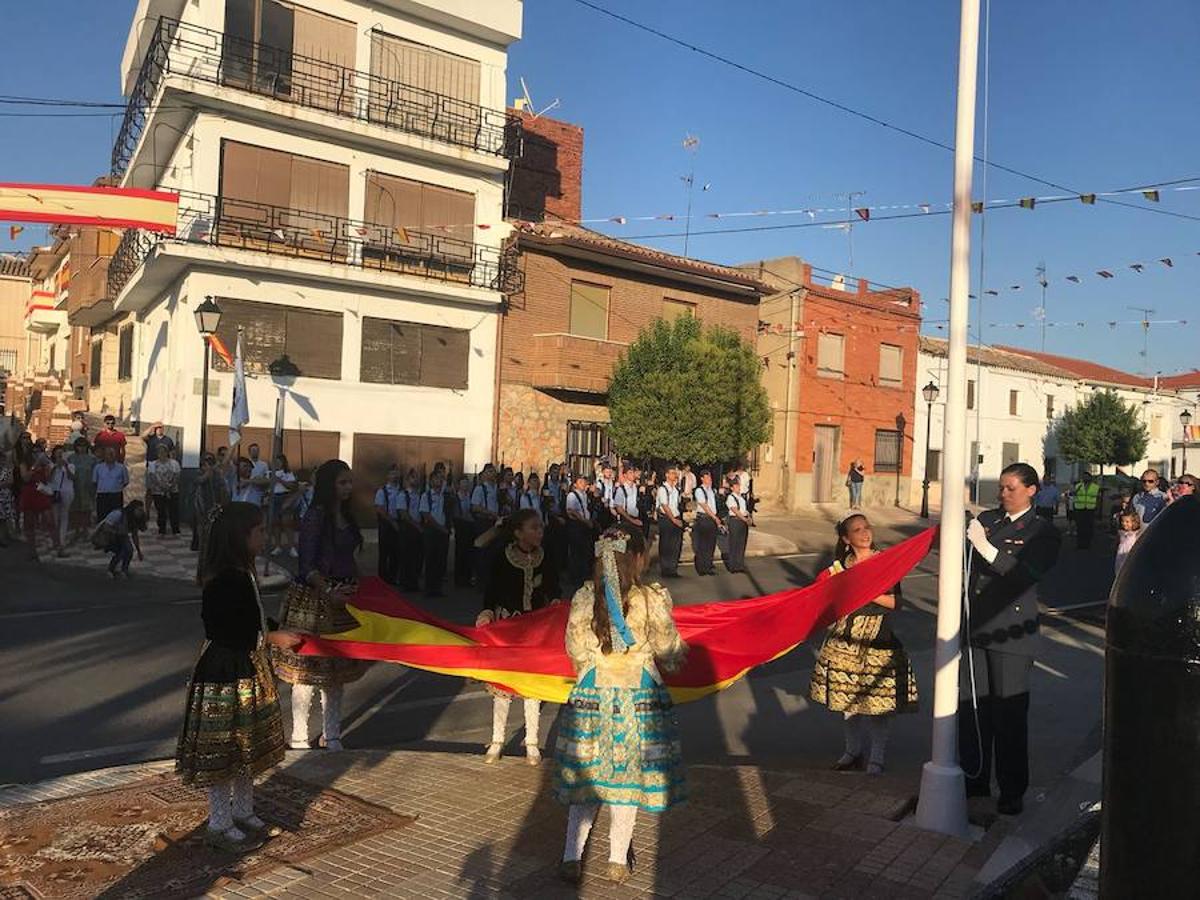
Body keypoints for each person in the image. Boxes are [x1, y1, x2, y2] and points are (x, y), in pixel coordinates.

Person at [554, 526, 687, 885]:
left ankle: (571, 855)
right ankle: (615, 859)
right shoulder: (650, 598)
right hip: (637, 694)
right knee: (626, 777)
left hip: (593, 694)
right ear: (637, 558)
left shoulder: (584, 597)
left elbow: (575, 648)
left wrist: (592, 669)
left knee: (588, 775)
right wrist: (674, 659)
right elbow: (668, 647)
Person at [175, 501, 299, 852]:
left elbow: (252, 618)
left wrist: (276, 628)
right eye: (259, 531)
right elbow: (224, 628)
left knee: (248, 746)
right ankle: (219, 820)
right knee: (226, 748)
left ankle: (244, 810)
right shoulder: (222, 580)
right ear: (238, 538)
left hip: (248, 668)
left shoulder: (244, 573)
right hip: (224, 672)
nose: (265, 536)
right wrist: (272, 639)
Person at [961, 462, 1061, 816]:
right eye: (1001, 488)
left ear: (1032, 490)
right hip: (976, 629)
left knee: (1009, 715)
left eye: (1011, 488)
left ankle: (1011, 790)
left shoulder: (1042, 531)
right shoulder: (988, 520)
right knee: (973, 710)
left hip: (1011, 633)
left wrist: (986, 549)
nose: (1003, 494)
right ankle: (974, 780)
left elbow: (1023, 575)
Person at [272, 459, 369, 751]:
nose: (348, 488)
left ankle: (333, 733)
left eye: (350, 482)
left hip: (343, 600)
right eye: (342, 482)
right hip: (313, 601)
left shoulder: (348, 516)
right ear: (329, 485)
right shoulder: (316, 516)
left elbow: (349, 558)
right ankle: (300, 736)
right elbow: (306, 564)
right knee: (306, 674)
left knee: (335, 674)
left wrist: (363, 585)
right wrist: (327, 590)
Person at [810, 513, 917, 775]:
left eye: (867, 527)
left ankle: (876, 757)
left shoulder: (885, 562)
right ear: (847, 539)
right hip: (845, 637)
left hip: (879, 636)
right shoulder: (838, 569)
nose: (865, 533)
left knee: (877, 705)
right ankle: (852, 750)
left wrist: (865, 590)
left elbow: (896, 603)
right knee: (848, 701)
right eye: (857, 530)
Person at [478, 508, 561, 765]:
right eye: (534, 527)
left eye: (541, 528)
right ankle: (497, 739)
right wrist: (487, 612)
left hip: (535, 628)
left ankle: (532, 742)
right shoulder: (502, 557)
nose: (539, 532)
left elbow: (553, 586)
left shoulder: (546, 557)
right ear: (518, 532)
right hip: (508, 627)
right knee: (503, 685)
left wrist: (555, 603)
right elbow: (490, 588)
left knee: (531, 684)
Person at [18, 452, 62, 560]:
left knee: (50, 521)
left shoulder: (43, 463)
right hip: (29, 492)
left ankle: (58, 547)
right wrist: (35, 466)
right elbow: (25, 478)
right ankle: (32, 550)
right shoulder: (24, 464)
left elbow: (47, 478)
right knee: (29, 523)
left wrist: (51, 468)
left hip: (41, 491)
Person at [192, 452, 229, 573]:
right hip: (202, 514)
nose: (207, 466)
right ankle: (202, 573)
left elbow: (224, 492)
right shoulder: (199, 474)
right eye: (205, 464)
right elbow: (199, 481)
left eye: (209, 463)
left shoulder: (218, 476)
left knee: (215, 543)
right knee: (203, 545)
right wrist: (208, 474)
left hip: (215, 513)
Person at [93, 499, 146, 577]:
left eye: (141, 510)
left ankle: (124, 570)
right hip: (108, 535)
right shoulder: (118, 514)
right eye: (139, 510)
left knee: (129, 550)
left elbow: (135, 536)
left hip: (121, 535)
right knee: (121, 551)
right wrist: (117, 532)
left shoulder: (134, 519)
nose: (140, 512)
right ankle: (111, 569)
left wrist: (139, 551)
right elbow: (105, 527)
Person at [419, 469, 451, 597]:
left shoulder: (446, 496)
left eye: (441, 479)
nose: (439, 481)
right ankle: (429, 588)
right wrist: (440, 527)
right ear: (431, 481)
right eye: (437, 479)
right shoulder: (426, 495)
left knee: (441, 560)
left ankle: (438, 588)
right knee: (431, 559)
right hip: (432, 531)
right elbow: (426, 515)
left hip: (443, 531)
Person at [565, 472, 595, 592]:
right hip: (576, 525)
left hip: (585, 525)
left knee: (584, 550)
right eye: (580, 482)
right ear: (575, 484)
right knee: (576, 551)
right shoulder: (572, 495)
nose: (583, 484)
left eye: (584, 482)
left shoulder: (584, 495)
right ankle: (574, 577)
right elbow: (571, 511)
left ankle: (583, 575)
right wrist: (583, 520)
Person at [396, 469, 424, 592]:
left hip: (418, 528)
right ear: (407, 480)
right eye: (412, 478)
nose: (415, 480)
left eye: (416, 478)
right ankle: (405, 582)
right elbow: (403, 514)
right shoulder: (403, 495)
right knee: (407, 556)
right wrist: (416, 525)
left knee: (417, 556)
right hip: (408, 528)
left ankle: (413, 581)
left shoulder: (419, 495)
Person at [374, 466, 403, 583]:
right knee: (384, 552)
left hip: (399, 522)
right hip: (386, 524)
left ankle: (393, 576)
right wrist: (392, 522)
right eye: (392, 473)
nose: (395, 476)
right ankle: (382, 578)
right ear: (387, 476)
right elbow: (379, 509)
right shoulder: (382, 491)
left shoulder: (402, 490)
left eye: (396, 473)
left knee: (396, 552)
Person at [146, 444, 182, 537]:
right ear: (157, 454)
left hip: (172, 491)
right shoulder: (152, 464)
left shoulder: (174, 463)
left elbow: (177, 476)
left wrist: (169, 486)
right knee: (161, 511)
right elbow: (152, 477)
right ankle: (162, 530)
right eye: (160, 452)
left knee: (173, 511)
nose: (162, 454)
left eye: (164, 451)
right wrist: (162, 486)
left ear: (167, 452)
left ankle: (175, 530)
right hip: (158, 491)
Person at [691, 470, 722, 576]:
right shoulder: (699, 491)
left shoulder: (712, 491)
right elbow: (704, 505)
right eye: (707, 478)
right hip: (704, 518)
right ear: (702, 479)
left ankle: (708, 565)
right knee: (703, 544)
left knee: (711, 544)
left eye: (710, 478)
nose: (710, 480)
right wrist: (714, 517)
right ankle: (701, 567)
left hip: (712, 519)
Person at [656, 466, 684, 578]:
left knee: (675, 544)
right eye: (672, 473)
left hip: (676, 517)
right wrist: (673, 520)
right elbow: (665, 505)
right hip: (667, 519)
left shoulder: (676, 490)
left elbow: (676, 505)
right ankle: (665, 569)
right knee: (666, 544)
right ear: (667, 475)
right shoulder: (663, 489)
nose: (674, 475)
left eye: (675, 473)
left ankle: (673, 568)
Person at [269, 453, 299, 556]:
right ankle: (278, 546)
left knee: (287, 522)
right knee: (276, 523)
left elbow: (292, 486)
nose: (277, 463)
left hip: (284, 497)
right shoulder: (270, 472)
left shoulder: (288, 473)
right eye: (275, 461)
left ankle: (291, 546)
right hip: (273, 497)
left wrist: (280, 480)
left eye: (279, 461)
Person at [67, 438, 96, 541]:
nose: (82, 448)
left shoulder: (92, 459)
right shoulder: (71, 458)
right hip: (75, 486)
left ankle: (85, 530)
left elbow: (95, 474)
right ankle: (76, 530)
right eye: (79, 446)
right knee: (75, 509)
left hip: (88, 487)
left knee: (86, 510)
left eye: (84, 446)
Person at [48, 445, 75, 551]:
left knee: (64, 517)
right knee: (54, 518)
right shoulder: (51, 465)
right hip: (54, 492)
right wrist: (55, 467)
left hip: (67, 492)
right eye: (57, 453)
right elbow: (49, 479)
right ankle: (54, 540)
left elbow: (72, 477)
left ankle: (62, 540)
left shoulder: (71, 465)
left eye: (61, 453)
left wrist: (66, 466)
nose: (59, 455)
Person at [93, 445, 129, 522]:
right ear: (104, 455)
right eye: (108, 454)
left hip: (116, 496)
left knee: (116, 518)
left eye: (112, 454)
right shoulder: (98, 467)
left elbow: (125, 481)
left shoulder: (121, 467)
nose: (110, 456)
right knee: (102, 518)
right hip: (102, 496)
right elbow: (95, 481)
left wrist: (116, 487)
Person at [452, 474, 475, 588]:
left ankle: (467, 577)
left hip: (469, 526)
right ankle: (458, 578)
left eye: (467, 482)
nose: (465, 484)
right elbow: (456, 514)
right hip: (461, 526)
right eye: (463, 482)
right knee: (460, 552)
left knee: (468, 552)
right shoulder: (456, 497)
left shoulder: (469, 496)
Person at [724, 477, 751, 573]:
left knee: (741, 543)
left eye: (738, 485)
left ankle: (739, 564)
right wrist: (744, 519)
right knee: (734, 543)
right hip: (735, 521)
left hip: (742, 521)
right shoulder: (731, 497)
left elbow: (744, 510)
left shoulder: (741, 498)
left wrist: (748, 517)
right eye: (736, 486)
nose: (738, 487)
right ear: (732, 488)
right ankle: (733, 566)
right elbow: (735, 510)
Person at [1071, 471, 1100, 549]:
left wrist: (1097, 507)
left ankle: (1088, 544)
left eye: (1086, 477)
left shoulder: (1095, 487)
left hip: (1090, 509)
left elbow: (1097, 498)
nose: (1085, 478)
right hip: (1080, 508)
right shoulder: (1078, 486)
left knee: (1089, 527)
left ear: (1090, 478)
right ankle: (1080, 544)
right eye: (1084, 477)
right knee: (1080, 527)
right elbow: (1073, 494)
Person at [611, 464, 642, 533]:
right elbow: (619, 508)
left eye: (633, 472)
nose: (633, 474)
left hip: (636, 517)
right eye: (630, 473)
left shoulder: (636, 488)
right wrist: (632, 520)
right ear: (625, 475)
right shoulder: (621, 489)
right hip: (626, 520)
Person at [1114, 508, 1142, 577]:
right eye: (1123, 521)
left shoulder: (1135, 535)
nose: (1124, 524)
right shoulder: (1121, 533)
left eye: (1127, 522)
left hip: (1129, 559)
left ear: (1134, 522)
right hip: (1120, 558)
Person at [0, 449, 15, 546]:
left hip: (4, 497)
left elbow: (10, 482)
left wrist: (2, 484)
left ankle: (3, 537)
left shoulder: (7, 470)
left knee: (4, 518)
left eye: (2, 459)